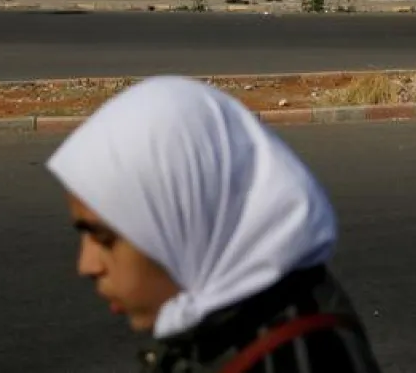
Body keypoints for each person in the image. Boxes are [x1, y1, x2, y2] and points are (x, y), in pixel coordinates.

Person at [48, 76, 384, 372]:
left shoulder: (293, 356)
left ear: (184, 220)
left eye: (104, 237)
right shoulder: (226, 327)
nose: (87, 266)